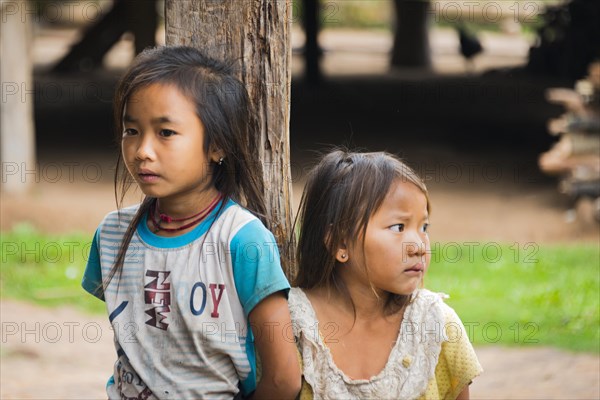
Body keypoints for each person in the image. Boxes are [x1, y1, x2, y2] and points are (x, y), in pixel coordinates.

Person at [81, 46, 300, 399]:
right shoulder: (112, 234)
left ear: (217, 146)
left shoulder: (243, 242)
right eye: (131, 130)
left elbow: (283, 380)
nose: (142, 151)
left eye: (165, 133)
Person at [289, 150, 482, 399]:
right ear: (340, 243)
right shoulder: (296, 327)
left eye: (424, 227)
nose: (419, 246)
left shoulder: (435, 325)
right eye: (398, 227)